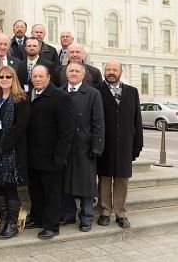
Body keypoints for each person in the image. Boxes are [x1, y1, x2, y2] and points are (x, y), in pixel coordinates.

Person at [25, 65, 74, 240]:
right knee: (35, 190)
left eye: (41, 76)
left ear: (48, 78)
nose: (37, 79)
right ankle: (37, 218)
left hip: (52, 156)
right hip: (32, 155)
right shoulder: (28, 96)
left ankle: (51, 225)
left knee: (51, 193)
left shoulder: (60, 97)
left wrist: (60, 155)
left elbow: (66, 130)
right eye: (34, 76)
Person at [0, 66, 30, 239]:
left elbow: (20, 127)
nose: (4, 79)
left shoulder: (21, 100)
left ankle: (12, 224)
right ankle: (3, 222)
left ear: (13, 79)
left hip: (12, 153)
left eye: (8, 76)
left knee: (10, 188)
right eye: (1, 77)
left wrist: (4, 146)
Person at [96, 60, 143, 229]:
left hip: (125, 144)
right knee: (105, 179)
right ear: (104, 71)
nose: (111, 72)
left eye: (115, 69)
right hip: (105, 144)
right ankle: (105, 212)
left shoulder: (132, 92)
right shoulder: (97, 91)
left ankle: (121, 213)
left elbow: (137, 120)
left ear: (121, 72)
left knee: (122, 180)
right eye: (108, 69)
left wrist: (137, 145)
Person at [61, 62, 105, 232]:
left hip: (85, 145)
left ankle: (86, 217)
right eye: (70, 71)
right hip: (65, 145)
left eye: (76, 71)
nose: (73, 73)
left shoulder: (93, 94)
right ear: (66, 73)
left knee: (86, 184)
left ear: (83, 74)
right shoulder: (60, 92)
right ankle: (69, 214)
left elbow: (98, 122)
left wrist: (97, 146)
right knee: (66, 181)